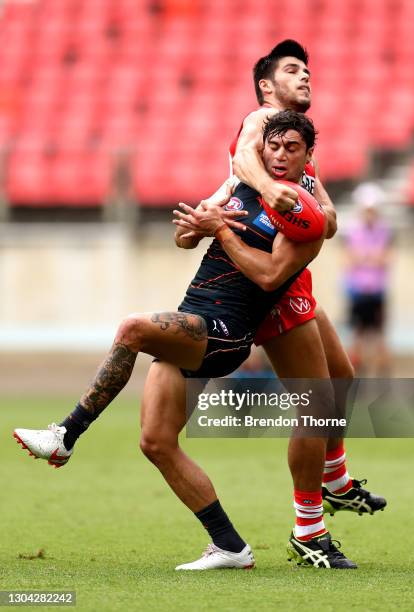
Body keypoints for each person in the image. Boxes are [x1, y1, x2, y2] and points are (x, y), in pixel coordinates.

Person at [14, 111, 354, 568]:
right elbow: (183, 238)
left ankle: (66, 435)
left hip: (225, 334)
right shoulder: (241, 186)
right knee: (155, 440)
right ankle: (230, 546)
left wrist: (220, 233)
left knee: (133, 329)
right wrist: (196, 228)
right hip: (193, 321)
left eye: (291, 148)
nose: (278, 156)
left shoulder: (304, 216)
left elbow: (271, 275)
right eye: (272, 146)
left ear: (308, 157)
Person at [176, 40, 386, 563]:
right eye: (293, 70)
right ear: (267, 86)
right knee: (314, 406)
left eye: (308, 69)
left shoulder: (298, 145)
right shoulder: (262, 121)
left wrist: (316, 213)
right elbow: (244, 156)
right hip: (270, 286)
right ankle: (309, 531)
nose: (306, 76)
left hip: (294, 280)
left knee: (341, 378)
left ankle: (334, 480)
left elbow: (329, 219)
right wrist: (270, 191)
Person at [344, 182, 393, 375]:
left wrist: (364, 257)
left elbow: (386, 259)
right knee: (357, 335)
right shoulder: (353, 230)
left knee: (379, 335)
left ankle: (382, 378)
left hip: (377, 290)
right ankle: (355, 374)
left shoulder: (385, 230)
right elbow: (350, 259)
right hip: (357, 291)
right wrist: (372, 257)